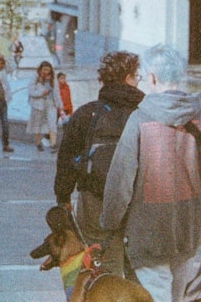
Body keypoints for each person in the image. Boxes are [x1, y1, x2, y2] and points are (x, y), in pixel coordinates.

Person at [102, 44, 201, 301]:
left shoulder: (140, 120)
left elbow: (120, 181)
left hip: (147, 231)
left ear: (151, 77)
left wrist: (110, 223)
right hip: (188, 229)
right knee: (177, 295)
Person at [53, 51, 144, 276]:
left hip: (94, 199)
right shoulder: (145, 114)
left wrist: (63, 198)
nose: (137, 81)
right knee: (138, 268)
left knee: (103, 266)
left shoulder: (87, 114)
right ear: (128, 79)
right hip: (139, 202)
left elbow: (66, 159)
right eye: (136, 76)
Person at [27, 61, 63, 151]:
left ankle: (53, 144)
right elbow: (30, 91)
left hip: (51, 103)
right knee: (38, 123)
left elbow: (57, 92)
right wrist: (41, 93)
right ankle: (38, 142)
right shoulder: (35, 77)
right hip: (39, 104)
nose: (46, 72)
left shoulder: (53, 78)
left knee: (52, 123)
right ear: (41, 69)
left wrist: (60, 105)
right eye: (44, 69)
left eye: (48, 69)